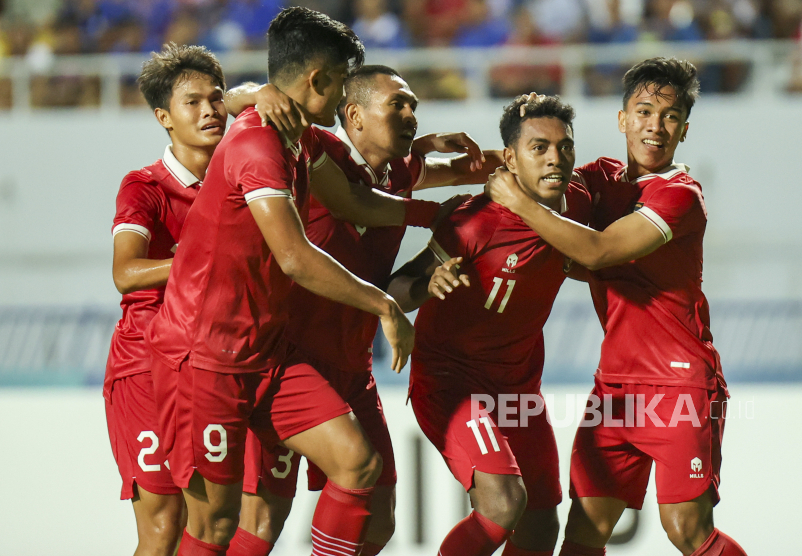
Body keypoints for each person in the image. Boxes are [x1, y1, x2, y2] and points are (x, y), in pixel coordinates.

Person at [144, 9, 447, 556]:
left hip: (265, 352)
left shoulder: (298, 138)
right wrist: (384, 306)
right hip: (203, 356)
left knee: (358, 465)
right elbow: (293, 257)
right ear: (318, 80)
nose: (340, 105)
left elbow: (352, 200)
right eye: (338, 85)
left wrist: (436, 215)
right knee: (216, 524)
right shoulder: (256, 145)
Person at [221, 64, 504, 556]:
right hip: (288, 361)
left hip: (352, 366)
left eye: (414, 104)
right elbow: (233, 99)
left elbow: (479, 169)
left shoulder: (400, 171)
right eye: (398, 104)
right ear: (352, 115)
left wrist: (545, 162)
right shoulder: (313, 153)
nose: (412, 113)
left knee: (379, 517)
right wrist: (257, 92)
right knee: (264, 517)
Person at [485, 58, 747, 556]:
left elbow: (597, 251)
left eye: (670, 117)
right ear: (622, 119)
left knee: (687, 532)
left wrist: (521, 205)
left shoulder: (680, 194)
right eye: (644, 111)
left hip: (679, 385)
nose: (655, 125)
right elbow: (547, 183)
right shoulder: (600, 178)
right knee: (582, 535)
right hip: (616, 387)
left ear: (684, 130)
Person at [387, 95, 592, 556]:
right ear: (511, 158)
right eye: (539, 148)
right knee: (503, 504)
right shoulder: (474, 221)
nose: (555, 159)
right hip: (451, 385)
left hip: (519, 388)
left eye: (565, 148)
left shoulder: (577, 204)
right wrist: (428, 285)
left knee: (540, 524)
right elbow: (397, 289)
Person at [103, 42, 227, 556]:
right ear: (164, 118)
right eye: (192, 102)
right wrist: (203, 260)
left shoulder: (243, 179)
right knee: (163, 526)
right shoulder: (145, 186)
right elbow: (125, 273)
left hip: (216, 365)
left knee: (217, 519)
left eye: (216, 98)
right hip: (146, 366)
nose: (209, 111)